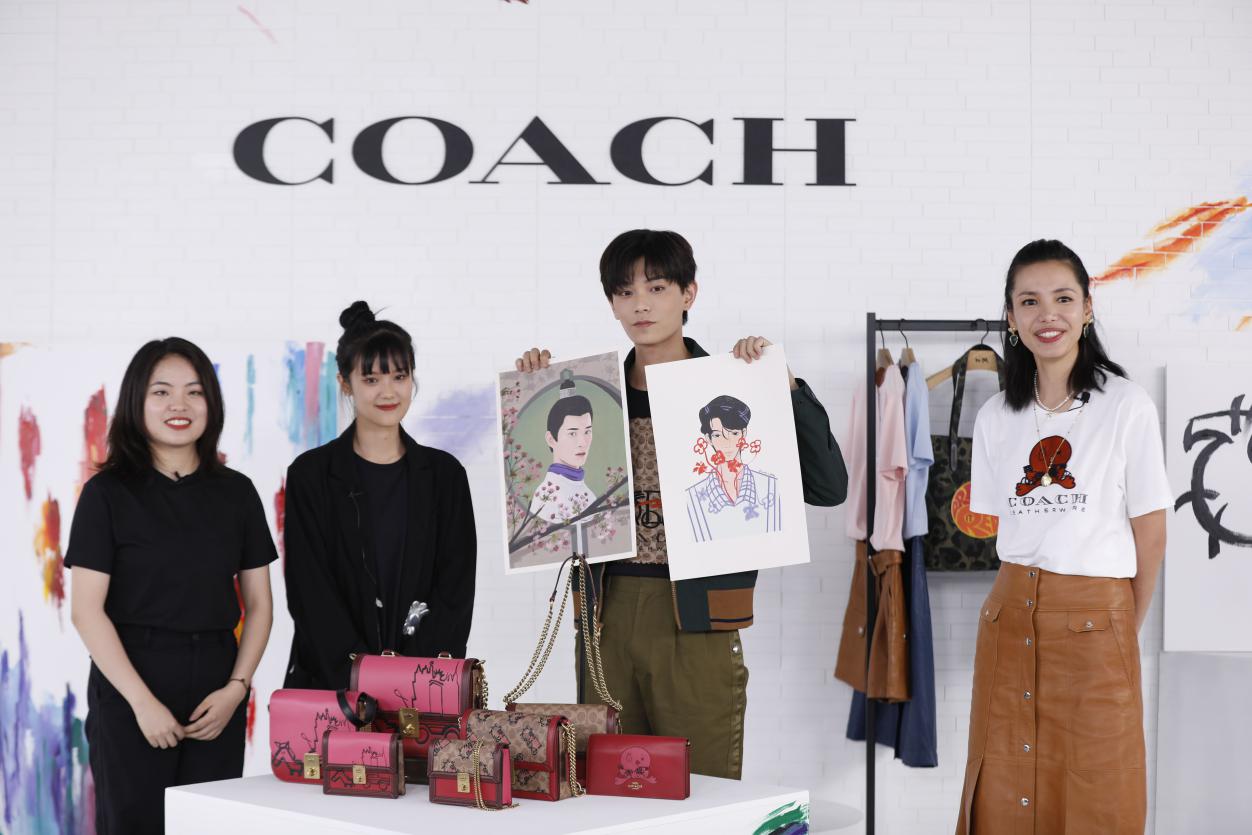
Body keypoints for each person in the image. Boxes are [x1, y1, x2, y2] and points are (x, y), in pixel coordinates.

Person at [514, 229, 848, 779]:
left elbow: (829, 487)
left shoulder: (731, 391)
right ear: (612, 303)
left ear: (688, 293)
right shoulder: (591, 398)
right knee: (607, 782)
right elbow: (541, 498)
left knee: (702, 782)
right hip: (605, 614)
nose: (640, 305)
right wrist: (535, 389)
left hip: (696, 614)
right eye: (625, 292)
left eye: (657, 287)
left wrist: (783, 386)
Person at [956, 240, 1170, 834]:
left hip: (1097, 619)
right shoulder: (996, 416)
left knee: (1098, 791)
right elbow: (1004, 524)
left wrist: (1120, 624)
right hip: (1009, 616)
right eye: (1029, 301)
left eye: (1063, 299)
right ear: (1010, 317)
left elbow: (1151, 534)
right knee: (1003, 791)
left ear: (1087, 309)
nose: (1047, 315)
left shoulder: (1125, 405)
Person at [66, 338, 276, 835]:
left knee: (209, 824)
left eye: (193, 392)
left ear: (211, 404)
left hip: (217, 689)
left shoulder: (237, 492)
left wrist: (236, 690)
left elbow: (260, 605)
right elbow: (86, 611)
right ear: (136, 402)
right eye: (161, 392)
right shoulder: (106, 494)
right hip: (131, 680)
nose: (178, 405)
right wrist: (142, 703)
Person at [282, 301, 476, 690]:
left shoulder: (445, 476)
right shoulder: (310, 476)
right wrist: (362, 677)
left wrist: (409, 677)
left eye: (399, 376)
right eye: (371, 379)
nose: (388, 392)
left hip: (422, 690)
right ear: (345, 383)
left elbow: (454, 592)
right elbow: (310, 592)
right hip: (332, 688)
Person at [686, 394, 781, 542]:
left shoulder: (771, 486)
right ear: (708, 438)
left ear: (744, 433)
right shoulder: (692, 497)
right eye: (718, 435)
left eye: (734, 433)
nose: (727, 442)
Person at [528, 369, 597, 524]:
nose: (582, 442)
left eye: (587, 431)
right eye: (572, 433)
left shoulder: (590, 496)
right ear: (551, 439)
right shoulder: (545, 498)